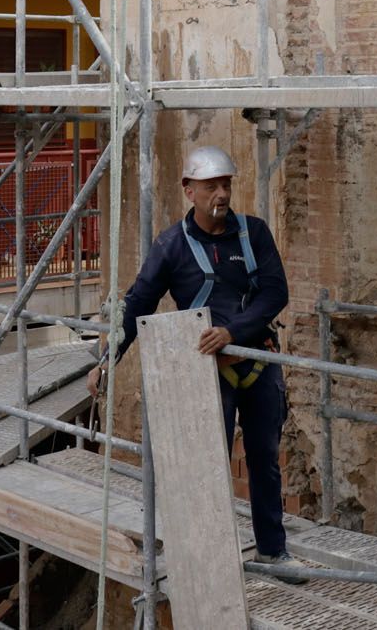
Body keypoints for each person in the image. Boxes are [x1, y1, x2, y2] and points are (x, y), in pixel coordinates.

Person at [92, 145, 306, 582]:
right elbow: (138, 304)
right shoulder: (171, 247)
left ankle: (272, 551)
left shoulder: (254, 234)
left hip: (256, 358)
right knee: (211, 461)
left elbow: (274, 293)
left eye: (226, 184)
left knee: (264, 457)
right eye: (211, 186)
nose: (221, 194)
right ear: (189, 191)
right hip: (208, 370)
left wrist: (234, 331)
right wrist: (107, 360)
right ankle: (212, 557)